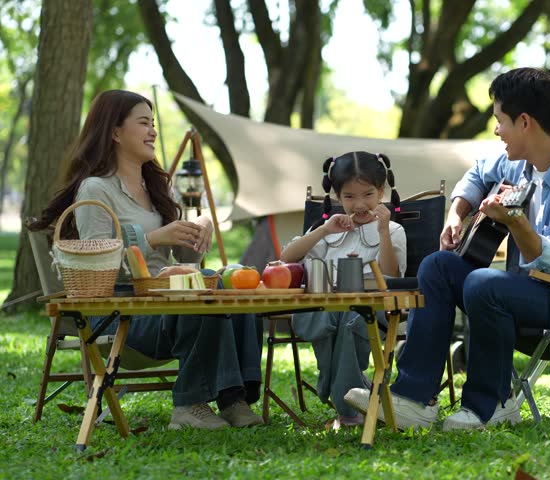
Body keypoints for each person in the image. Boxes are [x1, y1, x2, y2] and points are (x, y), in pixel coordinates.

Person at [344, 67, 550, 431]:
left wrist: (515, 221)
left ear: (524, 122)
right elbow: (478, 173)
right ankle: (413, 399)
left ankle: (491, 405)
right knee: (438, 266)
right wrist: (456, 213)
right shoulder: (521, 160)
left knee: (483, 284)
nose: (496, 131)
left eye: (500, 121)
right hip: (531, 290)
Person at [32, 90, 263, 430]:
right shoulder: (96, 189)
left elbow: (184, 257)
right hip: (119, 311)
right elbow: (95, 258)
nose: (153, 131)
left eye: (153, 123)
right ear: (114, 132)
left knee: (228, 286)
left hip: (167, 300)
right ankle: (188, 406)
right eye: (143, 123)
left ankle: (234, 400)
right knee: (202, 297)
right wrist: (154, 237)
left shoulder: (158, 187)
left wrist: (199, 229)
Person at [280, 151, 407, 429]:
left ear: (382, 192)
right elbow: (287, 257)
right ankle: (353, 394)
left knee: (351, 319)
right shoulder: (330, 229)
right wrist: (323, 231)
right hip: (323, 310)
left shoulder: (393, 230)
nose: (359, 204)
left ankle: (344, 404)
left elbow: (392, 276)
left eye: (368, 195)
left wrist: (383, 231)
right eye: (349, 197)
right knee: (333, 316)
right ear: (338, 197)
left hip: (371, 311)